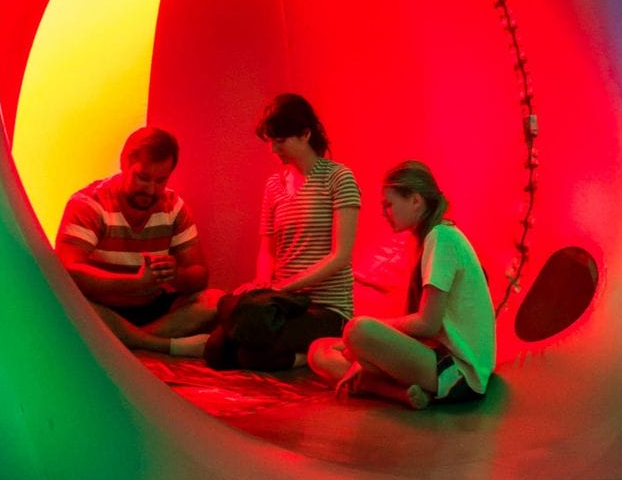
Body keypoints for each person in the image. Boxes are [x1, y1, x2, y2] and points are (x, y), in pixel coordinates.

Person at [307, 161, 495, 409]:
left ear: (416, 201)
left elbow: (428, 324)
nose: (385, 212)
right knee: (318, 350)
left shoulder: (442, 237)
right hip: (433, 360)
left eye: (389, 204)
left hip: (458, 373)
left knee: (357, 330)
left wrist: (368, 341)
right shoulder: (423, 242)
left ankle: (372, 382)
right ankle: (393, 390)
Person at [206, 93, 357, 369]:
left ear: (305, 135)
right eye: (270, 141)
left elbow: (341, 256)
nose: (274, 149)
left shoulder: (338, 178)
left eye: (280, 140)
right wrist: (263, 284)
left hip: (326, 308)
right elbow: (268, 249)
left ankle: (307, 358)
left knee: (252, 354)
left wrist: (281, 286)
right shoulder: (274, 185)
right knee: (216, 351)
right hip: (283, 302)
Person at [55, 127, 220, 355]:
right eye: (142, 178)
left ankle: (125, 339)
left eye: (161, 181)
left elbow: (199, 274)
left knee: (214, 300)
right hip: (102, 306)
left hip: (150, 307)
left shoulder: (174, 207)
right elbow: (67, 272)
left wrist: (175, 275)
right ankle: (160, 344)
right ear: (124, 164)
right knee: (64, 303)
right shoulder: (88, 203)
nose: (151, 190)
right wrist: (134, 283)